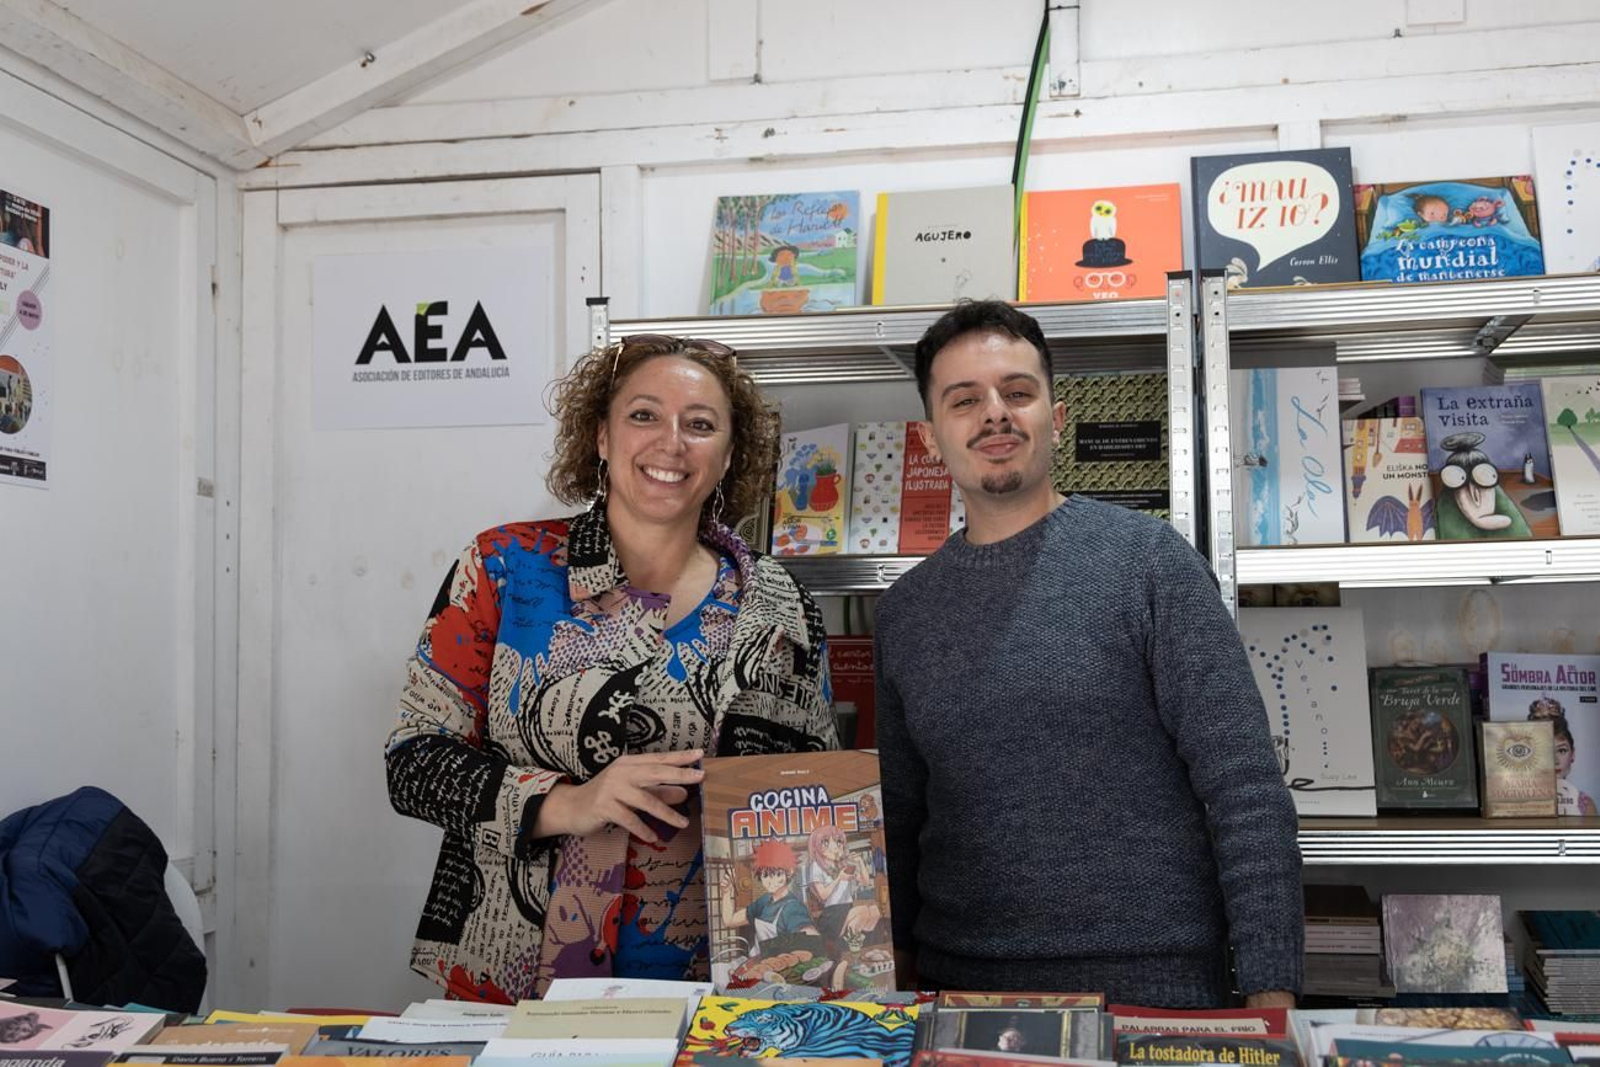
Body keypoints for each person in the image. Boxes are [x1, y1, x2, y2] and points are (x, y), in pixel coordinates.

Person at [874, 300, 1303, 1007]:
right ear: (930, 437)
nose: (995, 414)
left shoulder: (1150, 563)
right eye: (964, 400)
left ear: (1057, 416)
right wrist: (883, 967)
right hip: (962, 996)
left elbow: (1245, 788)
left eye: (1017, 392)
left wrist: (1272, 992)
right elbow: (898, 817)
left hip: (1154, 989)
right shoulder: (906, 611)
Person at [385, 333, 838, 1002]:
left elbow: (813, 797)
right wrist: (567, 801)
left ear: (729, 454)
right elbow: (414, 764)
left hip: (722, 994)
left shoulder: (779, 605)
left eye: (701, 424)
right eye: (644, 414)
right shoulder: (504, 568)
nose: (672, 442)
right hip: (514, 980)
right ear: (600, 436)